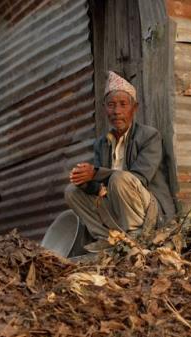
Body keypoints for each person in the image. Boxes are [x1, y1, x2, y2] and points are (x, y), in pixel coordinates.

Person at [64, 71, 176, 251]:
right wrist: (85, 181)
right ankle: (108, 238)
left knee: (119, 178)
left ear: (135, 108)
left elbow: (139, 178)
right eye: (111, 105)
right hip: (117, 210)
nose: (116, 111)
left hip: (150, 213)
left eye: (123, 104)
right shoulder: (102, 143)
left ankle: (136, 236)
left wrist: (97, 172)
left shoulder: (149, 136)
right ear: (104, 108)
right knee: (72, 191)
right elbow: (101, 187)